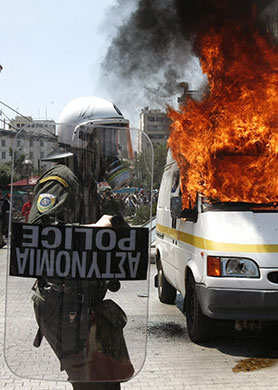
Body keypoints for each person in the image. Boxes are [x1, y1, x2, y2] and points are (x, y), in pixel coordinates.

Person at [28, 97, 135, 389]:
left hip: (81, 298)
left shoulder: (86, 181)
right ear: (83, 137)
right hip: (62, 304)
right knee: (96, 385)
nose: (113, 148)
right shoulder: (62, 177)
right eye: (107, 138)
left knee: (106, 381)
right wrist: (94, 227)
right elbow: (38, 233)